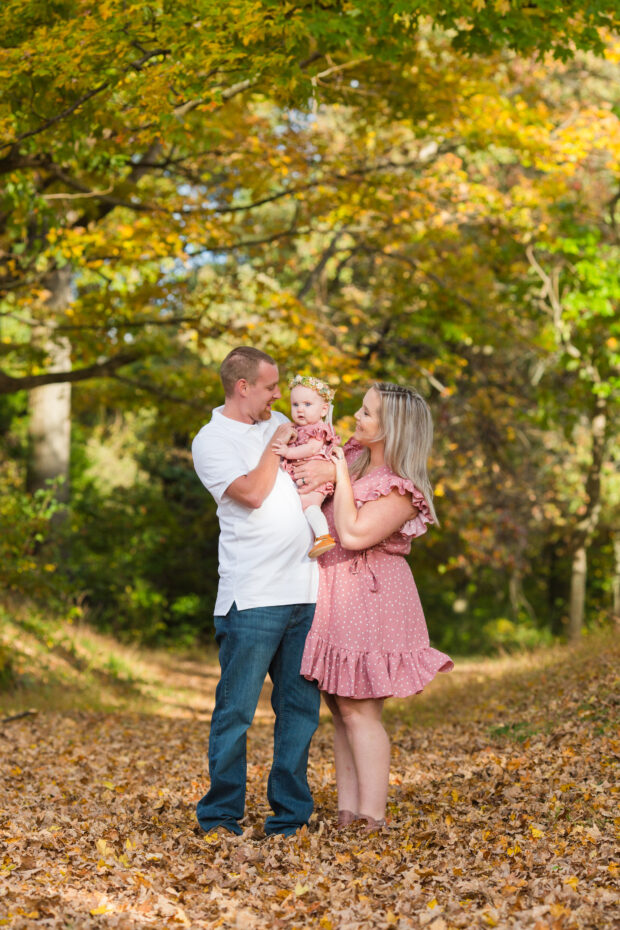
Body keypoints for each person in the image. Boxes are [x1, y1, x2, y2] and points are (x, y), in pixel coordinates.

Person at [297, 382, 453, 832]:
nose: (357, 419)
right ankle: (347, 812)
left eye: (367, 414)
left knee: (360, 709)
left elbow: (354, 534)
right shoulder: (355, 461)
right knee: (339, 707)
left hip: (372, 598)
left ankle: (373, 816)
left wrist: (339, 476)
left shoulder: (401, 489)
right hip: (334, 593)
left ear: (392, 428)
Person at [191, 346, 320, 838]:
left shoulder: (281, 421)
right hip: (252, 598)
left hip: (305, 592)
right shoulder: (212, 440)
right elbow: (252, 492)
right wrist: (275, 443)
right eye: (269, 386)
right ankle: (221, 817)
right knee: (236, 713)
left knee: (300, 712)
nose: (278, 396)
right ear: (242, 387)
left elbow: (319, 463)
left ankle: (289, 817)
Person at [272, 374, 340, 559]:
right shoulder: (295, 427)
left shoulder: (318, 428)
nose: (300, 410)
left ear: (324, 409)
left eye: (307, 405)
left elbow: (311, 449)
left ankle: (323, 536)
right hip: (305, 476)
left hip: (315, 479)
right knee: (302, 506)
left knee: (309, 506)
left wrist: (287, 452)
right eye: (296, 405)